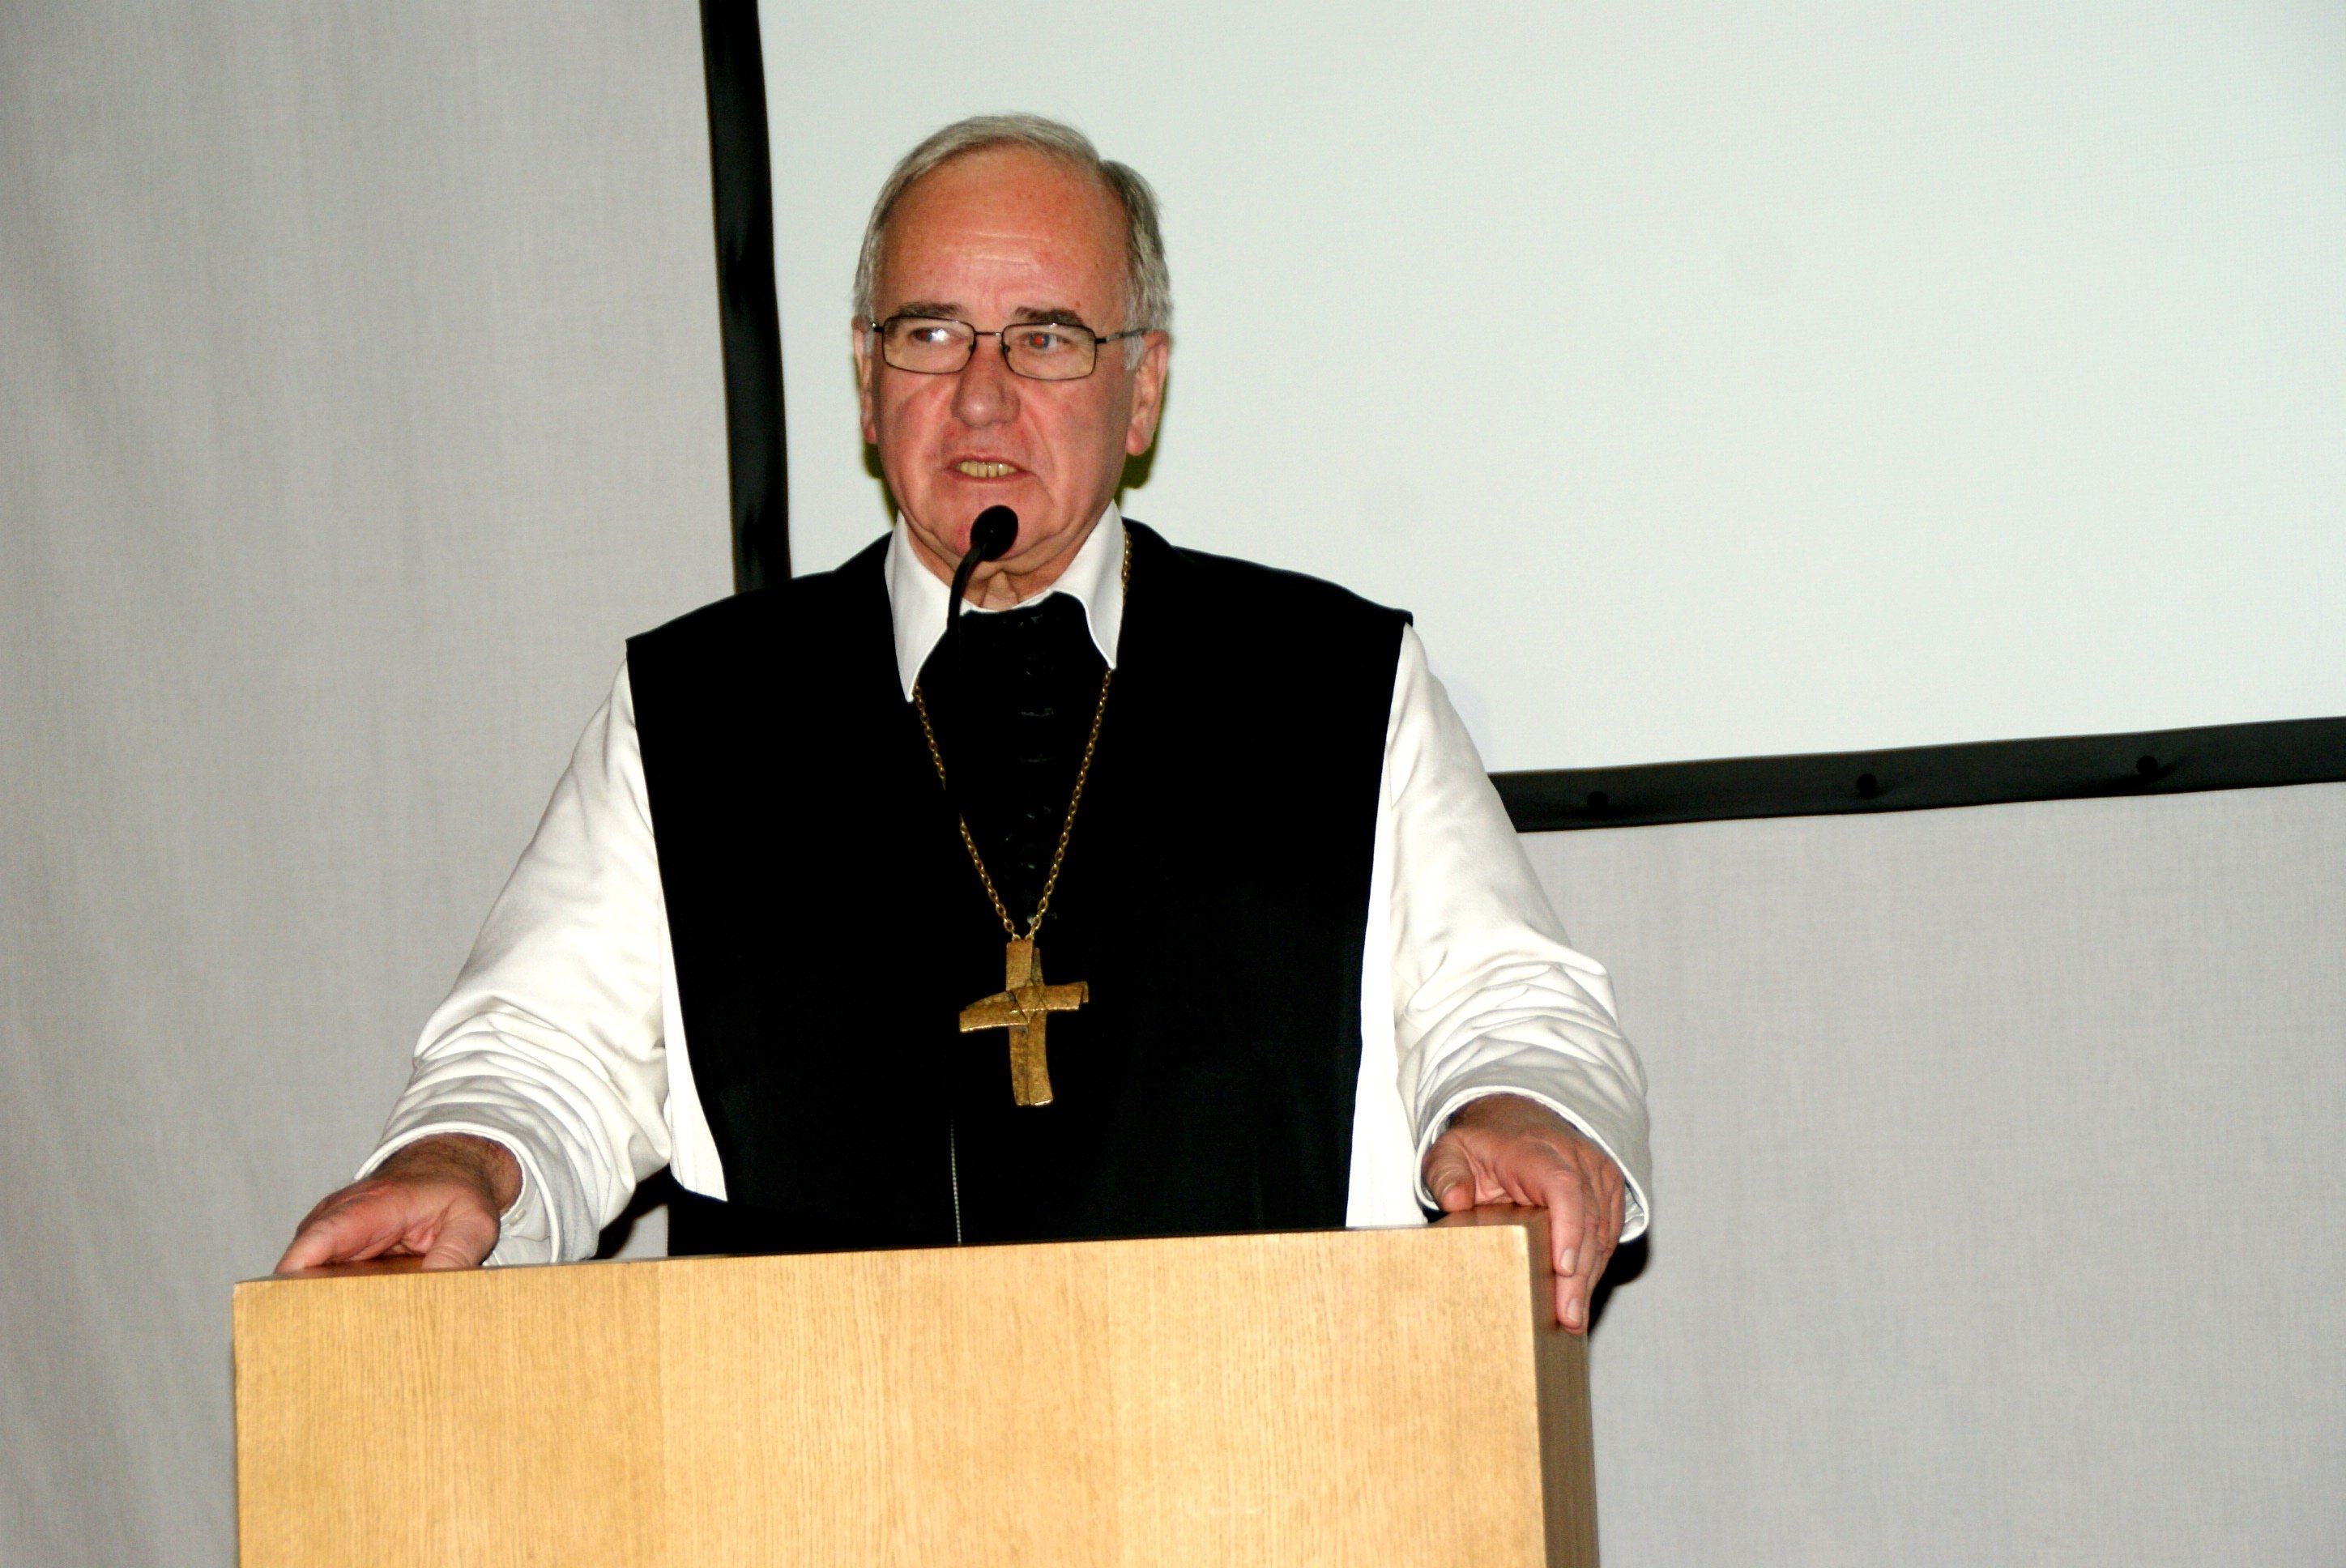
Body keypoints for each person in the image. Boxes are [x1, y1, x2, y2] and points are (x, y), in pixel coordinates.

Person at [280, 114, 1649, 1332]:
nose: (982, 395)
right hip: (812, 1457)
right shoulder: (702, 709)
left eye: (1046, 338)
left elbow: (1507, 1006)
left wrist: (1520, 1111)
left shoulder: (1330, 680)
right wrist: (462, 1158)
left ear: (1142, 390)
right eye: (930, 334)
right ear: (866, 380)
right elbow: (544, 1049)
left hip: (1272, 1437)